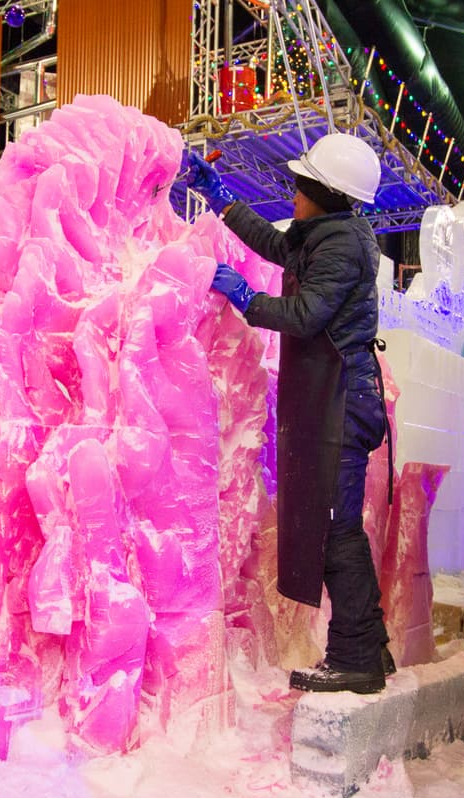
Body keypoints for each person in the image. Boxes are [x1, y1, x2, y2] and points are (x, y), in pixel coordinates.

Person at [187, 133, 394, 694]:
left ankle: (355, 659)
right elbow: (278, 247)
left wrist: (246, 299)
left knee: (337, 531)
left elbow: (305, 314)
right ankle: (370, 643)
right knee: (338, 527)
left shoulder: (344, 246)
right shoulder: (327, 233)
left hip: (343, 400)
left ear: (324, 193)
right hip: (336, 395)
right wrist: (221, 198)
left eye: (302, 186)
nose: (293, 193)